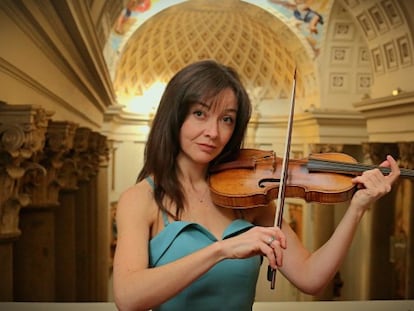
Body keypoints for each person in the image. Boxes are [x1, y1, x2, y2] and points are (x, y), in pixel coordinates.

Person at [113, 59, 400, 311]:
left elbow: (311, 279)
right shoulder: (141, 199)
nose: (213, 132)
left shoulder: (248, 197)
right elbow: (128, 298)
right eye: (200, 113)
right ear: (174, 116)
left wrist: (357, 209)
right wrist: (222, 250)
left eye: (226, 119)